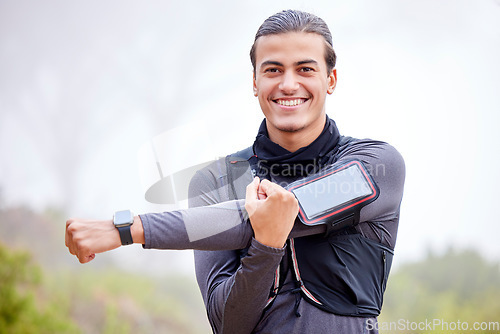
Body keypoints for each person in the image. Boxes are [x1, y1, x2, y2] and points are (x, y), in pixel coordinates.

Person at [65, 9, 405, 334]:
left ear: (330, 79)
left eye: (305, 69)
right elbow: (228, 325)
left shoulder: (376, 164)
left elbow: (292, 207)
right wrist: (266, 248)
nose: (288, 84)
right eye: (273, 70)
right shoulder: (216, 181)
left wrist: (129, 229)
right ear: (255, 82)